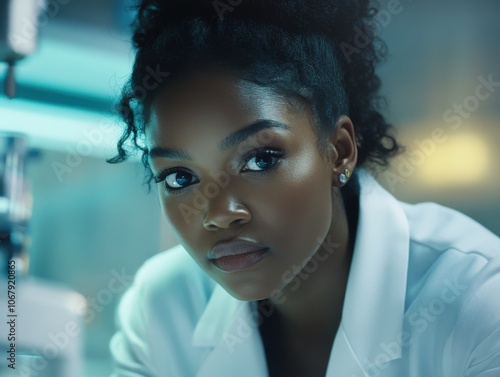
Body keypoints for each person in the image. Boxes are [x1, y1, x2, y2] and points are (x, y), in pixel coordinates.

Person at [107, 1, 500, 376]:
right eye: (180, 177)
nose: (219, 212)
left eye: (260, 159)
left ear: (339, 151)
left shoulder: (479, 302)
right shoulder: (161, 308)